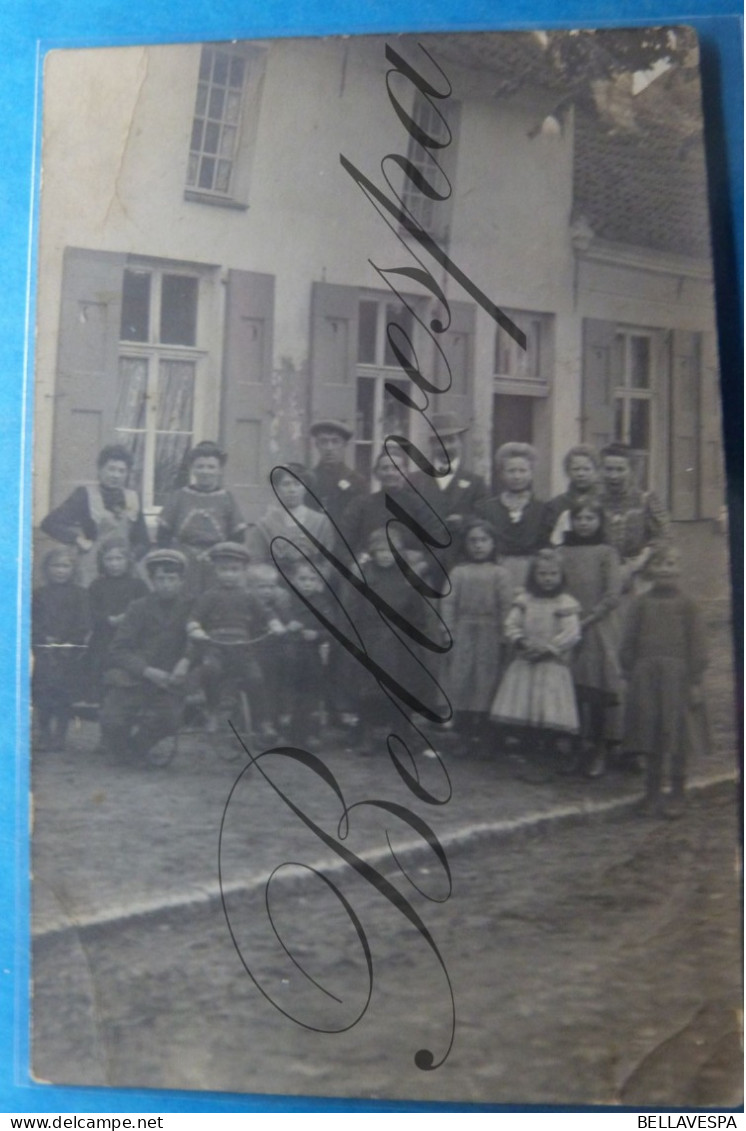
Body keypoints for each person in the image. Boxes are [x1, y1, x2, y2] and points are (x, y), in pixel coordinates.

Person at [620, 544, 708, 819]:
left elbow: (698, 645)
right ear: (649, 570)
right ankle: (652, 792)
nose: (665, 569)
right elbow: (628, 641)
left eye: (670, 564)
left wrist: (695, 681)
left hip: (678, 679)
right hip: (646, 678)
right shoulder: (640, 603)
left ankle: (678, 792)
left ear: (679, 568)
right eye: (659, 564)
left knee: (677, 734)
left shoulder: (688, 604)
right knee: (651, 733)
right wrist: (629, 671)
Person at [490, 549, 581, 772]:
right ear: (533, 576)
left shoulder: (565, 602)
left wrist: (549, 648)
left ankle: (548, 748)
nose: (547, 579)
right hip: (526, 659)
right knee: (525, 703)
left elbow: (572, 633)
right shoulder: (525, 600)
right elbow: (511, 624)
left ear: (561, 576)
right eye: (542, 574)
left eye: (553, 574)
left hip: (551, 663)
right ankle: (527, 746)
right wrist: (521, 641)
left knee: (548, 706)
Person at [99, 549, 192, 762]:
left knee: (170, 720)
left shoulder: (191, 607)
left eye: (172, 579)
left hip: (172, 679)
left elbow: (198, 643)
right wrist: (146, 670)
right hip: (136, 677)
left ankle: (137, 747)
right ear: (151, 580)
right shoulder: (138, 607)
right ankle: (121, 748)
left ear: (181, 581)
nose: (166, 584)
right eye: (160, 579)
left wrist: (185, 662)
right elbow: (118, 649)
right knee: (111, 719)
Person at [187, 543, 279, 738]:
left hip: (243, 647)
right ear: (215, 571)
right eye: (223, 570)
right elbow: (194, 617)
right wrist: (196, 629)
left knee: (255, 678)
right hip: (216, 646)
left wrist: (275, 623)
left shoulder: (249, 595)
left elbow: (266, 613)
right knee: (211, 670)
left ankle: (263, 721)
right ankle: (212, 710)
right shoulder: (209, 596)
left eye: (234, 570)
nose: (229, 574)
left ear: (243, 571)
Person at [559, 500, 622, 777]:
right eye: (579, 518)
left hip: (598, 626)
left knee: (596, 688)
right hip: (568, 624)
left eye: (590, 518)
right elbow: (556, 585)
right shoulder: (563, 551)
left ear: (599, 522)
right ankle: (577, 747)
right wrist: (568, 618)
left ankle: (599, 748)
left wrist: (588, 618)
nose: (584, 523)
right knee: (571, 687)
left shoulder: (607, 552)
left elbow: (612, 594)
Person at [440, 518, 513, 750]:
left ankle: (487, 737)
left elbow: (507, 606)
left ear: (493, 543)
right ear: (465, 544)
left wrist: (505, 635)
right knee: (463, 680)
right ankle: (464, 735)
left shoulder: (500, 574)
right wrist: (448, 630)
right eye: (473, 541)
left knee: (488, 681)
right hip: (463, 632)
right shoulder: (459, 572)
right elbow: (448, 603)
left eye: (484, 540)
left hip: (491, 633)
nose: (478, 545)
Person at [40, 444, 149, 585]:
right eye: (111, 469)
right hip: (92, 569)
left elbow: (143, 540)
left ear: (127, 474)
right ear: (100, 470)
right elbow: (50, 523)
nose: (116, 475)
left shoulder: (133, 498)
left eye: (122, 471)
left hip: (125, 570)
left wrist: (130, 558)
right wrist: (78, 539)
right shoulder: (84, 495)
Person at [157, 441, 246, 594]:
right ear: (192, 469)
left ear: (219, 471)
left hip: (217, 563)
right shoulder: (179, 496)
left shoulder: (227, 498)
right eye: (200, 466)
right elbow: (163, 533)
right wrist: (173, 560)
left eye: (211, 467)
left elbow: (238, 536)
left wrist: (222, 556)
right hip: (183, 561)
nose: (205, 471)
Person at [408, 413, 488, 570]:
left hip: (463, 562)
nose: (446, 447)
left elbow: (485, 518)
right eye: (439, 442)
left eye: (451, 440)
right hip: (424, 563)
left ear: (461, 443)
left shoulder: (476, 483)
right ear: (431, 445)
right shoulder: (415, 481)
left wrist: (464, 521)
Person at [32, 547, 91, 751]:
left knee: (64, 694)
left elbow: (83, 623)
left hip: (68, 652)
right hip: (45, 650)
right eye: (56, 566)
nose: (60, 570)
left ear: (73, 569)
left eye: (65, 566)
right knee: (43, 692)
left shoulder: (80, 594)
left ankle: (60, 734)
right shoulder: (39, 594)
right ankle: (45, 732)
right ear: (47, 569)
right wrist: (43, 638)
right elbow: (33, 621)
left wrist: (70, 642)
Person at [476, 442, 550, 594]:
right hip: (496, 571)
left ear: (531, 473)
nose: (517, 476)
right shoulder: (487, 509)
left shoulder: (542, 509)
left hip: (533, 573)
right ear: (502, 474)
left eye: (523, 471)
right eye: (511, 471)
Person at [598, 442, 670, 592]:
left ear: (631, 471)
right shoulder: (593, 502)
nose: (614, 475)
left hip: (641, 575)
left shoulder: (646, 500)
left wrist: (638, 561)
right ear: (601, 471)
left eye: (620, 470)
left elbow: (663, 536)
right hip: (602, 575)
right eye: (608, 469)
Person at [86, 536, 149, 704]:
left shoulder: (138, 585)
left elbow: (147, 609)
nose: (114, 564)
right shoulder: (97, 586)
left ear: (128, 560)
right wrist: (109, 620)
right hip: (104, 635)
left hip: (132, 637)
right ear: (102, 561)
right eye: (109, 559)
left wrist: (128, 619)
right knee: (98, 660)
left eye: (119, 559)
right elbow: (90, 612)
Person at [247, 463, 337, 574]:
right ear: (277, 489)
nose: (292, 490)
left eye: (297, 484)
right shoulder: (265, 525)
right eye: (286, 484)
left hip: (311, 585)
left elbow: (328, 562)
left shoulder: (321, 523)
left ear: (305, 488)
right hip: (274, 586)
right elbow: (256, 562)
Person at [307, 420, 367, 529]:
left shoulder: (357, 481)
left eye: (335, 441)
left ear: (345, 445)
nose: (329, 448)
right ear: (317, 445)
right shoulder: (308, 479)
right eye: (324, 442)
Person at [545, 445, 601, 545]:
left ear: (596, 471)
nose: (581, 474)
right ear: (567, 472)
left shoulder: (603, 502)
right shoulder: (555, 505)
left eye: (586, 469)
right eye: (576, 469)